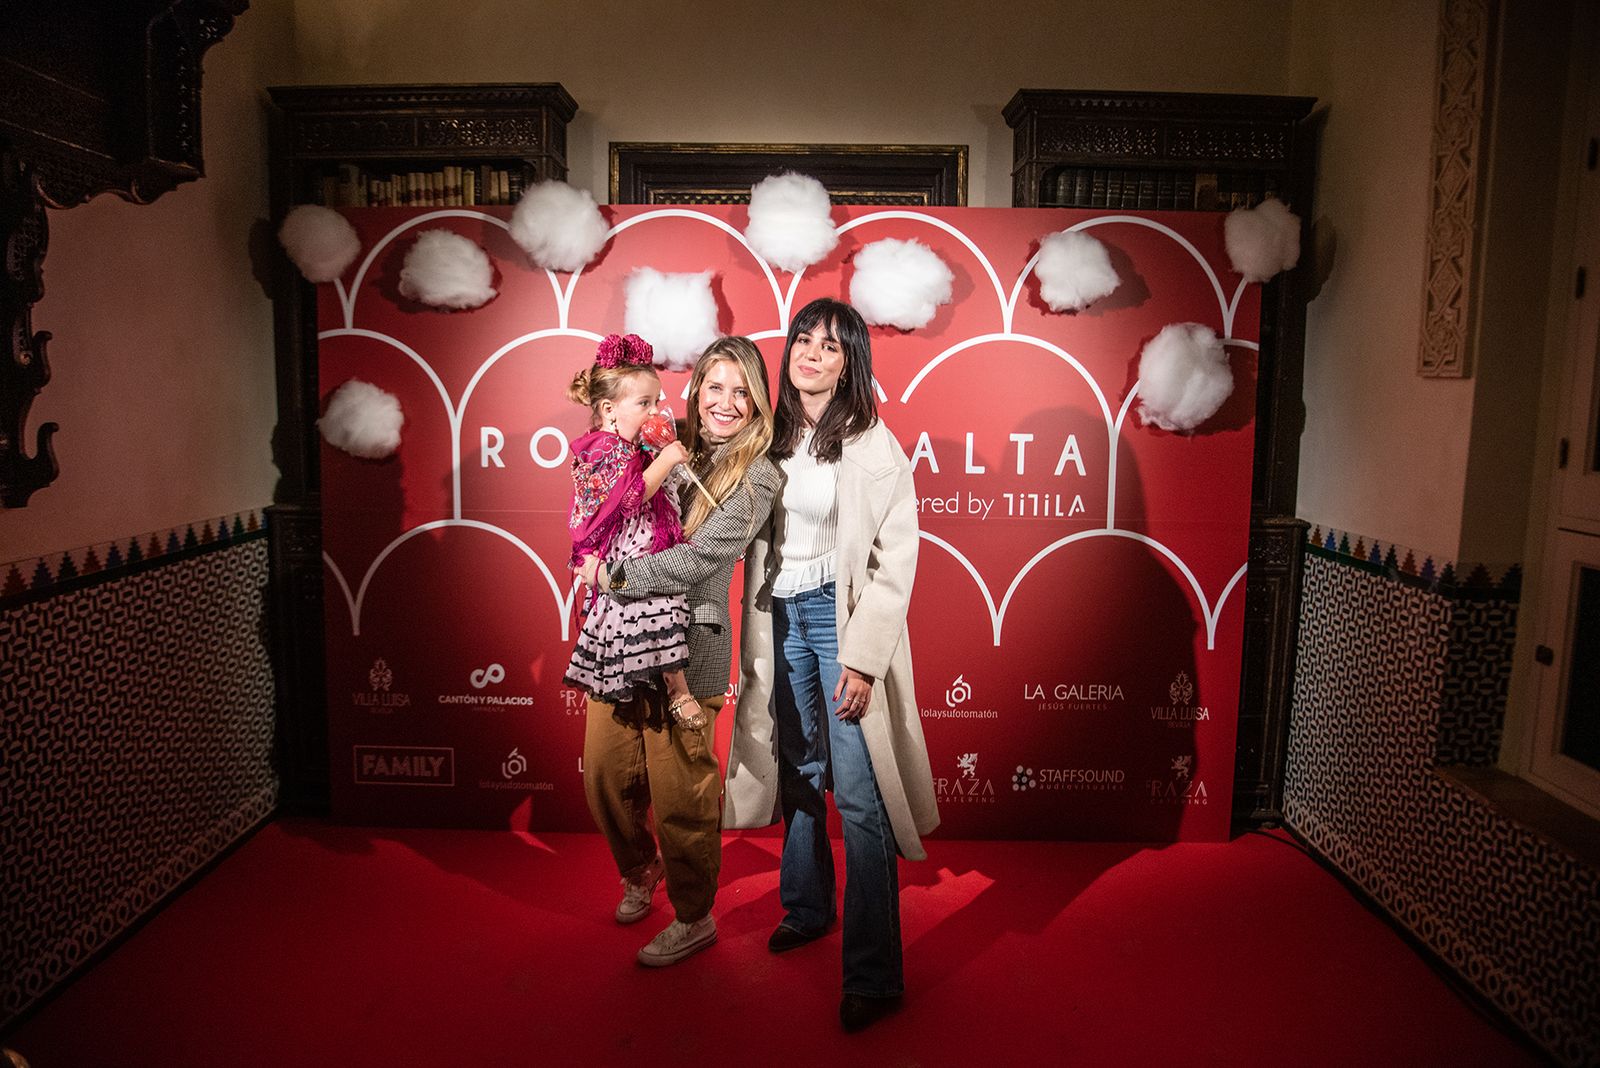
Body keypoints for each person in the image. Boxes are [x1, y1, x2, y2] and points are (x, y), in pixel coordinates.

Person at [724, 297, 939, 1032]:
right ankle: (808, 908)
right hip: (779, 617)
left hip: (837, 622)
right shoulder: (770, 436)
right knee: (799, 774)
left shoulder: (874, 444)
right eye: (803, 340)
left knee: (860, 794)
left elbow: (895, 562)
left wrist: (864, 657)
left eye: (831, 345)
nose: (812, 353)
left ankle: (875, 976)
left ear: (852, 363)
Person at [575, 335, 781, 967]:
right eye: (713, 387)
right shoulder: (664, 437)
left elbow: (700, 560)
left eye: (740, 390)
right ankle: (641, 871)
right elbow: (603, 481)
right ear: (694, 391)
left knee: (683, 797)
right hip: (620, 642)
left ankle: (694, 917)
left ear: (757, 402)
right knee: (606, 777)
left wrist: (614, 576)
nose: (725, 402)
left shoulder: (759, 474)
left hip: (691, 649)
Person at [562, 332, 700, 728]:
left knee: (654, 607)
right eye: (644, 403)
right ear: (609, 410)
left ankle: (659, 681)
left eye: (657, 401)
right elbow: (629, 499)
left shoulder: (629, 445)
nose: (656, 411)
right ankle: (677, 689)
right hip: (625, 549)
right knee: (651, 598)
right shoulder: (603, 448)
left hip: (636, 544)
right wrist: (668, 459)